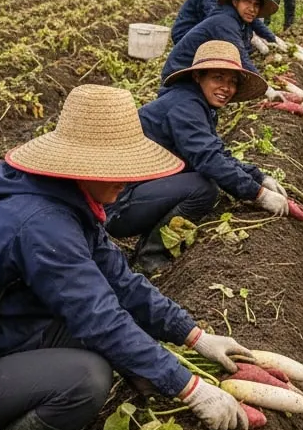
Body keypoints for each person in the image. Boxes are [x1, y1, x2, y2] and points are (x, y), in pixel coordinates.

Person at [0, 85, 252, 430]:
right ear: (83, 164)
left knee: (110, 342)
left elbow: (123, 284)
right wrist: (189, 389)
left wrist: (196, 337)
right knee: (87, 378)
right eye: (117, 168)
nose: (127, 180)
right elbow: (100, 319)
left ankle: (141, 393)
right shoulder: (41, 222)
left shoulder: (68, 201)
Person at [107, 41, 290, 273]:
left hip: (134, 193)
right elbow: (210, 160)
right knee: (203, 188)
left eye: (233, 81)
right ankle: (150, 257)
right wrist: (259, 195)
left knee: (203, 178)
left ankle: (145, 249)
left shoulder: (195, 103)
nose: (226, 87)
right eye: (218, 78)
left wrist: (258, 177)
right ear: (197, 77)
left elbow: (217, 153)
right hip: (117, 206)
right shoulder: (185, 106)